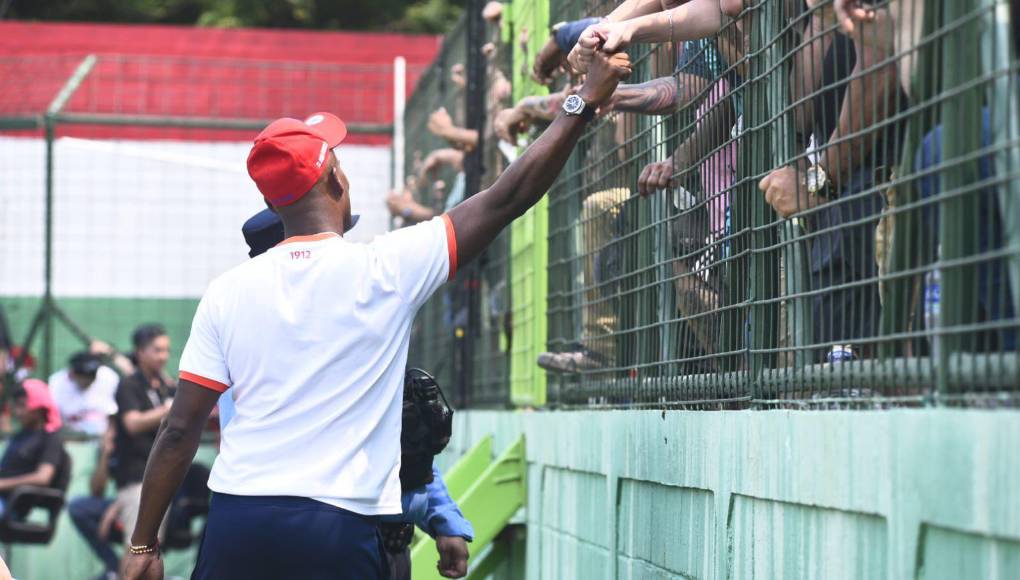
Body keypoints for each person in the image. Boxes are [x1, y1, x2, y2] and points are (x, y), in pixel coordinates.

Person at [121, 48, 631, 580]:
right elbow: (507, 198)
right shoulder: (385, 267)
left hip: (238, 522)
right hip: (340, 527)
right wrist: (582, 100)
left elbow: (179, 431)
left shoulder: (225, 292)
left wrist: (142, 547)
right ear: (336, 184)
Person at [112, 324, 174, 554]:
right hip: (136, 478)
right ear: (140, 352)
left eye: (166, 350)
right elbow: (132, 423)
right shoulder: (129, 384)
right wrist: (168, 409)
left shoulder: (165, 386)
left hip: (162, 478)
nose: (163, 356)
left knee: (149, 551)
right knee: (136, 550)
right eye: (157, 350)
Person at [0, 380, 68, 515]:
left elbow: (43, 477)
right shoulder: (20, 436)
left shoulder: (50, 438)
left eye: (22, 406)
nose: (17, 412)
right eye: (15, 406)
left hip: (15, 505)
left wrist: (2, 484)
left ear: (39, 407)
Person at [68, 423, 121, 580]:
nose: (111, 431)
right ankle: (115, 567)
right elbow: (97, 490)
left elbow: (141, 490)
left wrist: (112, 513)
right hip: (121, 508)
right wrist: (105, 454)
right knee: (78, 506)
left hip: (144, 508)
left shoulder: (139, 443)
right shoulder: (112, 447)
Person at [49, 351, 119, 436]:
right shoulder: (57, 382)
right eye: (84, 376)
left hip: (105, 435)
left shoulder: (108, 376)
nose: (88, 380)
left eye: (92, 376)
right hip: (69, 435)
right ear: (72, 373)